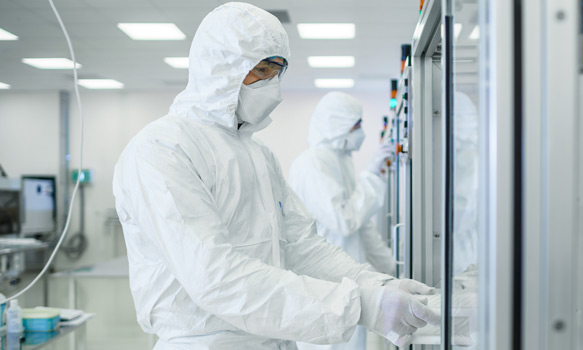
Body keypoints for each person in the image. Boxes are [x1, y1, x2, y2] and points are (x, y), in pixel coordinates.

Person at [112, 3, 439, 350]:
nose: (273, 86)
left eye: (278, 71)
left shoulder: (257, 153)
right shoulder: (162, 149)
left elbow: (302, 246)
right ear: (221, 67)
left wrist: (377, 285)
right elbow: (215, 276)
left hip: (275, 337)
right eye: (262, 69)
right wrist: (358, 304)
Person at [289, 91, 399, 350]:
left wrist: (391, 270)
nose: (361, 131)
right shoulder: (312, 164)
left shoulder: (342, 161)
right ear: (338, 125)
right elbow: (345, 220)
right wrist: (371, 175)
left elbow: (363, 225)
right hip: (324, 282)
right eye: (357, 124)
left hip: (347, 281)